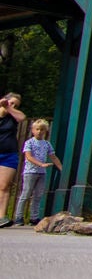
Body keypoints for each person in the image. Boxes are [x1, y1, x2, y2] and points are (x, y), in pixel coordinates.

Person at [13, 118, 58, 225]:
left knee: (38, 195)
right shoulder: (29, 143)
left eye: (42, 129)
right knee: (26, 193)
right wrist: (41, 164)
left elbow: (53, 157)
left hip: (41, 173)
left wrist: (60, 167)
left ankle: (34, 217)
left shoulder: (46, 144)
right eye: (37, 129)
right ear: (33, 130)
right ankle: (19, 216)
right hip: (30, 172)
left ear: (45, 131)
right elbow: (28, 156)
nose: (39, 131)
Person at [0, 92, 21, 227]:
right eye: (11, 102)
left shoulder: (13, 116)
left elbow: (22, 117)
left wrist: (9, 108)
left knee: (4, 186)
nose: (12, 106)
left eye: (16, 105)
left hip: (9, 154)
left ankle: (2, 217)